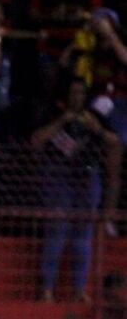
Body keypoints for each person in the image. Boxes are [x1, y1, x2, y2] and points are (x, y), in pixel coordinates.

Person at [31, 78, 119, 303]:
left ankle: (79, 290)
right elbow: (36, 140)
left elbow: (114, 141)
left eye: (81, 93)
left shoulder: (95, 117)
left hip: (87, 178)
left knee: (83, 234)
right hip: (58, 177)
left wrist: (96, 129)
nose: (77, 97)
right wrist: (62, 121)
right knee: (57, 232)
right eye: (73, 92)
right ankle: (47, 289)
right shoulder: (54, 113)